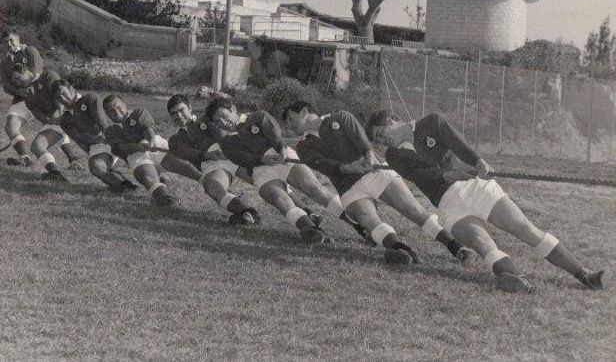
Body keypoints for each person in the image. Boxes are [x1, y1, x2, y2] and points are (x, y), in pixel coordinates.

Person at [365, 109, 605, 292]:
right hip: (447, 201)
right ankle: (514, 279)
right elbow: (423, 176)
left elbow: (460, 144)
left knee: (525, 229)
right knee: (482, 243)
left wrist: (479, 162)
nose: (380, 142)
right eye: (376, 141)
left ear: (390, 121)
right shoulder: (394, 156)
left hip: (475, 186)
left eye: (379, 134)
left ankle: (584, 274)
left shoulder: (433, 122)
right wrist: (451, 174)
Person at [283, 101, 472, 266]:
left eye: (291, 118)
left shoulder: (340, 117)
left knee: (413, 210)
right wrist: (347, 168)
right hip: (348, 186)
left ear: (304, 112)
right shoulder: (302, 146)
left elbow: (362, 141)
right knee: (366, 217)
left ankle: (455, 247)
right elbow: (322, 164)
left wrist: (369, 156)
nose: (289, 125)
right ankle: (399, 248)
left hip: (374, 173)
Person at [206, 97, 346, 244]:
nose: (222, 122)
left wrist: (281, 149)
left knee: (314, 189)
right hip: (260, 170)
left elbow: (275, 133)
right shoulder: (226, 142)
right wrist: (261, 161)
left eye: (223, 116)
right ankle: (309, 229)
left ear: (233, 109)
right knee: (279, 198)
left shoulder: (258, 116)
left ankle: (360, 225)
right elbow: (241, 159)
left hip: (282, 157)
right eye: (217, 122)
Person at [166, 94, 260, 224]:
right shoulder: (175, 140)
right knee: (212, 186)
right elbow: (187, 153)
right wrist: (207, 155)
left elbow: (223, 134)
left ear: (190, 107)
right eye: (174, 113)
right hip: (211, 165)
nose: (179, 116)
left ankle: (295, 208)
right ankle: (246, 213)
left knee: (263, 179)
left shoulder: (207, 119)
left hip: (230, 156)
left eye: (181, 110)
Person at [103, 94, 204, 210]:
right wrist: (136, 147)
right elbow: (119, 148)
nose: (116, 111)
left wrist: (150, 140)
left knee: (186, 166)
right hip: (135, 155)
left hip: (155, 144)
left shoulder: (138, 113)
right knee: (147, 177)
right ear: (107, 114)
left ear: (124, 105)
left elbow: (148, 129)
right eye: (111, 110)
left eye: (118, 107)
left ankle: (209, 181)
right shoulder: (110, 131)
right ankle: (164, 198)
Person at [51, 79, 137, 191]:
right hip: (97, 146)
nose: (62, 98)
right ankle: (124, 186)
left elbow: (104, 125)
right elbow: (81, 142)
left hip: (113, 137)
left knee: (140, 159)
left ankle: (158, 178)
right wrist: (93, 154)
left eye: (64, 93)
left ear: (71, 89)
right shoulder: (64, 120)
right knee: (95, 167)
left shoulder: (89, 98)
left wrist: (116, 146)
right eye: (58, 97)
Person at [8, 65, 84, 181]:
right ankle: (56, 174)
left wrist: (60, 116)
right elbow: (36, 112)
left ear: (24, 70)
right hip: (56, 119)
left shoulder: (48, 75)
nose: (17, 83)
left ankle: (75, 161)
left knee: (96, 142)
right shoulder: (27, 93)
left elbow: (61, 95)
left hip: (72, 110)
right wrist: (49, 120)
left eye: (17, 78)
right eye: (15, 82)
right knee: (36, 146)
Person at [0, 29, 44, 166]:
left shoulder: (30, 51)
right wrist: (20, 92)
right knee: (10, 126)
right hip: (22, 98)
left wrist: (27, 88)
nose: (8, 44)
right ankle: (24, 157)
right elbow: (7, 86)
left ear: (18, 40)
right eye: (4, 42)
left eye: (11, 40)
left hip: (42, 94)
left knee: (56, 123)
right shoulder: (4, 63)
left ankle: (74, 159)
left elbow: (36, 74)